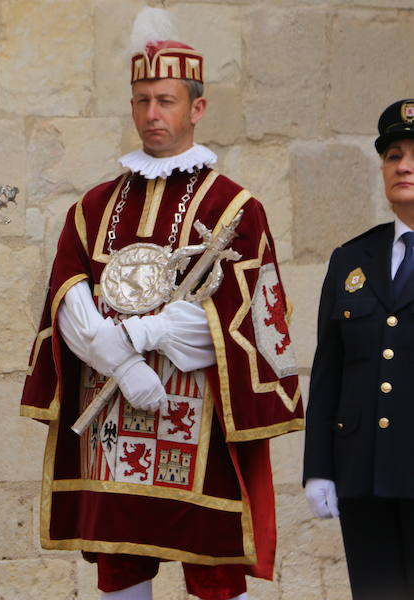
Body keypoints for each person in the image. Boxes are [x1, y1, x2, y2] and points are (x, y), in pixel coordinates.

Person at [19, 8, 303, 600]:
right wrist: (120, 360)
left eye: (166, 100)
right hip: (113, 419)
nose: (152, 113)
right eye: (142, 99)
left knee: (213, 569)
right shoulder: (93, 206)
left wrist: (139, 336)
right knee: (122, 565)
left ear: (196, 108)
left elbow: (243, 319)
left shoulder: (235, 208)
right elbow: (68, 297)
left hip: (198, 419)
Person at [303, 99, 414, 600]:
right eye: (393, 155)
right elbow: (329, 371)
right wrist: (319, 469)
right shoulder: (352, 258)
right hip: (363, 475)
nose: (404, 166)